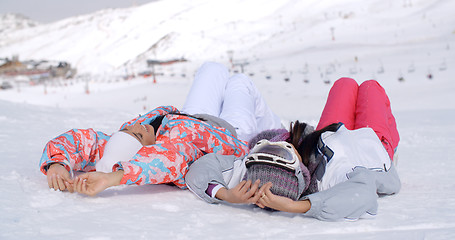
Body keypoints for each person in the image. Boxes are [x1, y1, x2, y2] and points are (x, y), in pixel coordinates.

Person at [40, 62, 282, 196]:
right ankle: (280, 134)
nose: (140, 126)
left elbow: (82, 140)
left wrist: (58, 164)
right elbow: (166, 161)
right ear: (148, 150)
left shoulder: (119, 141)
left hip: (192, 115)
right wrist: (113, 178)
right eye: (138, 135)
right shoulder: (173, 151)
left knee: (212, 68)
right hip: (233, 132)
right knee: (240, 83)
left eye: (129, 129)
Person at [185, 77, 401, 221]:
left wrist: (225, 193)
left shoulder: (248, 174)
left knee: (344, 84)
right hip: (372, 143)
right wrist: (297, 207)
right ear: (299, 172)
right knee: (372, 89)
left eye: (265, 150)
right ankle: (393, 142)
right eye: (282, 153)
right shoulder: (328, 180)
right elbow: (362, 193)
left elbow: (200, 168)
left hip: (327, 133)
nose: (279, 144)